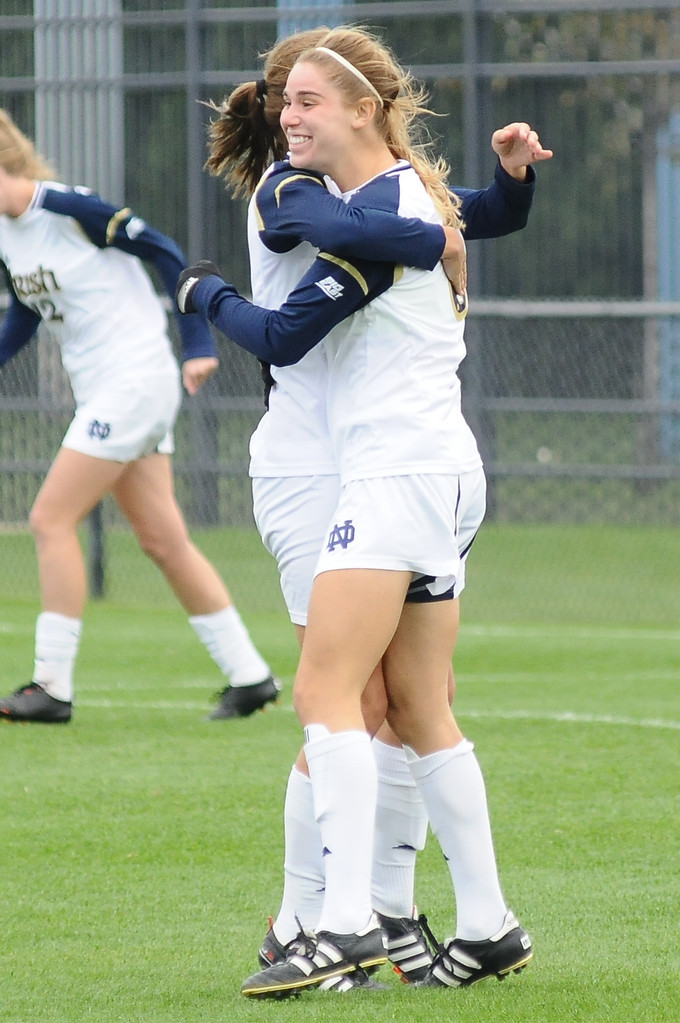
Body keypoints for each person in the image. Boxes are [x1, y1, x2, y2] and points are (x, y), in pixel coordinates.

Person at [179, 27, 548, 996]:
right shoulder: (316, 196)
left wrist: (199, 294)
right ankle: (458, 920)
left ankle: (335, 923)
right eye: (282, 101)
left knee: (333, 695)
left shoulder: (377, 203)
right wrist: (468, 220)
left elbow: (293, 328)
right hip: (365, 468)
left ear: (361, 109)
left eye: (305, 99)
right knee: (400, 703)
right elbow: (424, 226)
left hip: (383, 470)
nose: (285, 113)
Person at [0, 108, 278, 724]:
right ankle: (250, 675)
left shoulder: (69, 208)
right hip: (111, 390)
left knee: (49, 519)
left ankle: (51, 687)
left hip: (133, 383)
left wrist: (198, 344)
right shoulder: (5, 233)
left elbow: (163, 250)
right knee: (164, 540)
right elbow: (26, 310)